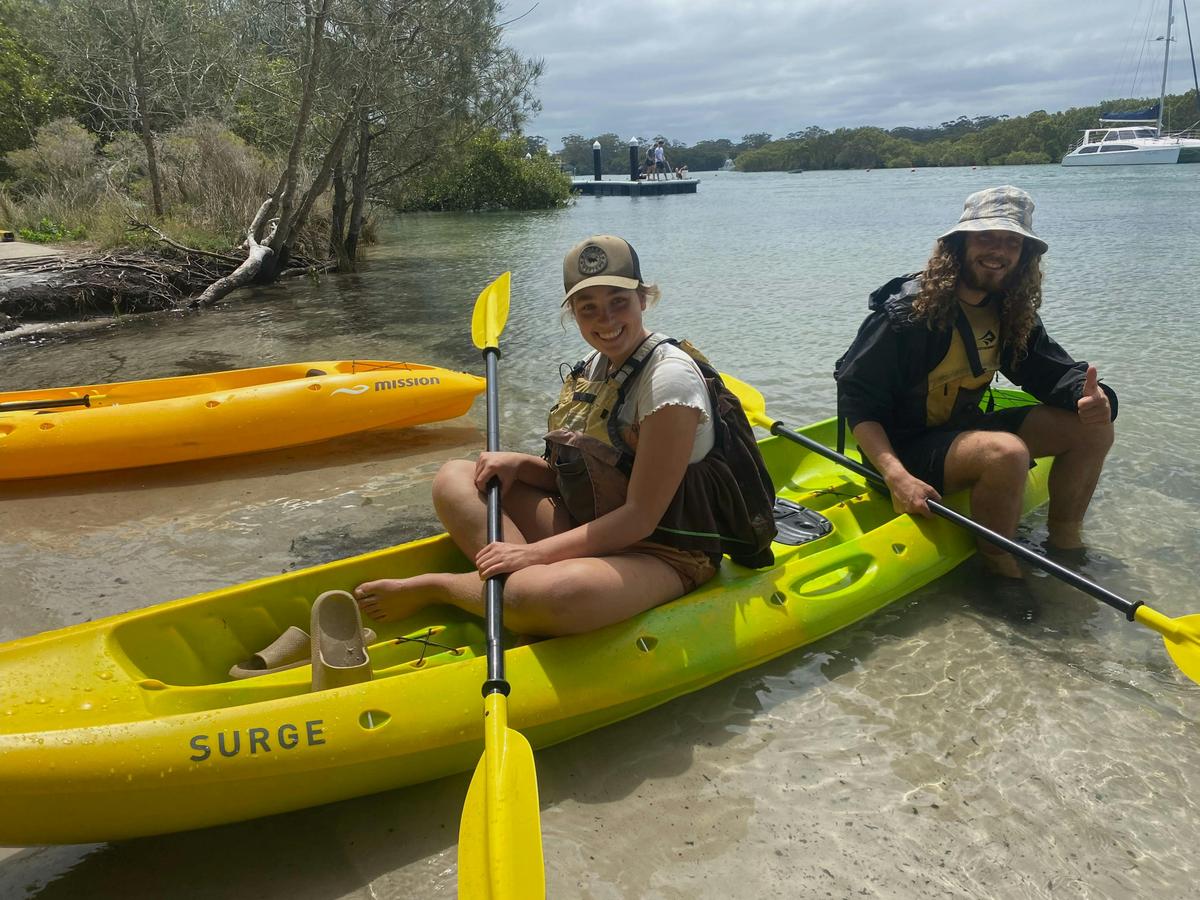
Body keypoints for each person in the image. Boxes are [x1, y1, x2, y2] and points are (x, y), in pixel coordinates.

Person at [355, 235, 776, 636]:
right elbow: (589, 473)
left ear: (643, 299)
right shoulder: (594, 365)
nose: (605, 320)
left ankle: (450, 588)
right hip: (592, 519)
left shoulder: (668, 382)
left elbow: (641, 516)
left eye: (618, 302)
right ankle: (511, 587)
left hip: (665, 550)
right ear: (572, 312)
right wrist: (522, 466)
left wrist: (530, 554)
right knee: (455, 476)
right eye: (587, 307)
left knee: (540, 596)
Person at [834, 186, 1116, 580]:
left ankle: (1065, 543)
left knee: (1093, 430)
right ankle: (999, 568)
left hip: (962, 430)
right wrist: (896, 477)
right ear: (959, 245)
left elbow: (1050, 372)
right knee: (1005, 453)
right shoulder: (905, 314)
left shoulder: (1009, 309)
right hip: (903, 450)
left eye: (1011, 242)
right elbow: (857, 400)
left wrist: (1092, 399)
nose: (998, 251)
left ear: (1024, 256)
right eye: (986, 237)